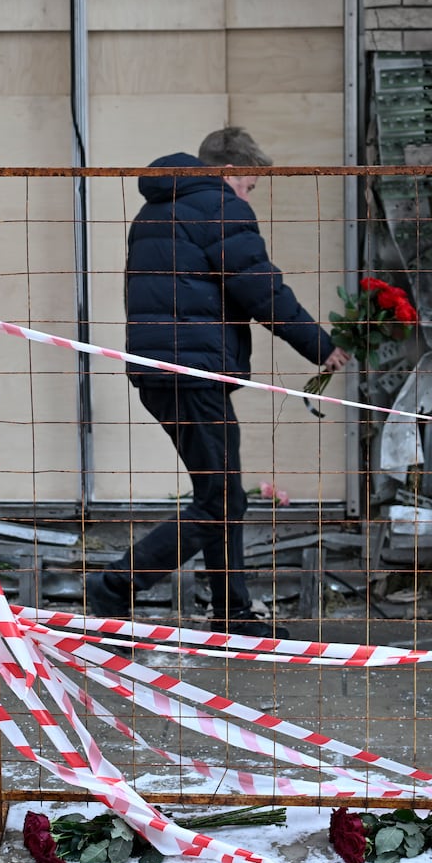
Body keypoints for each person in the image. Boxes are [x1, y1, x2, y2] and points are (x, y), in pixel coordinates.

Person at [85, 127, 351, 638]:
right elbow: (260, 287)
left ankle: (232, 612)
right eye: (249, 186)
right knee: (221, 499)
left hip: (159, 369)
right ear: (229, 172)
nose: (248, 196)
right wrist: (319, 346)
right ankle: (116, 586)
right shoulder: (219, 206)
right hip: (193, 370)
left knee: (219, 493)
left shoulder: (155, 209)